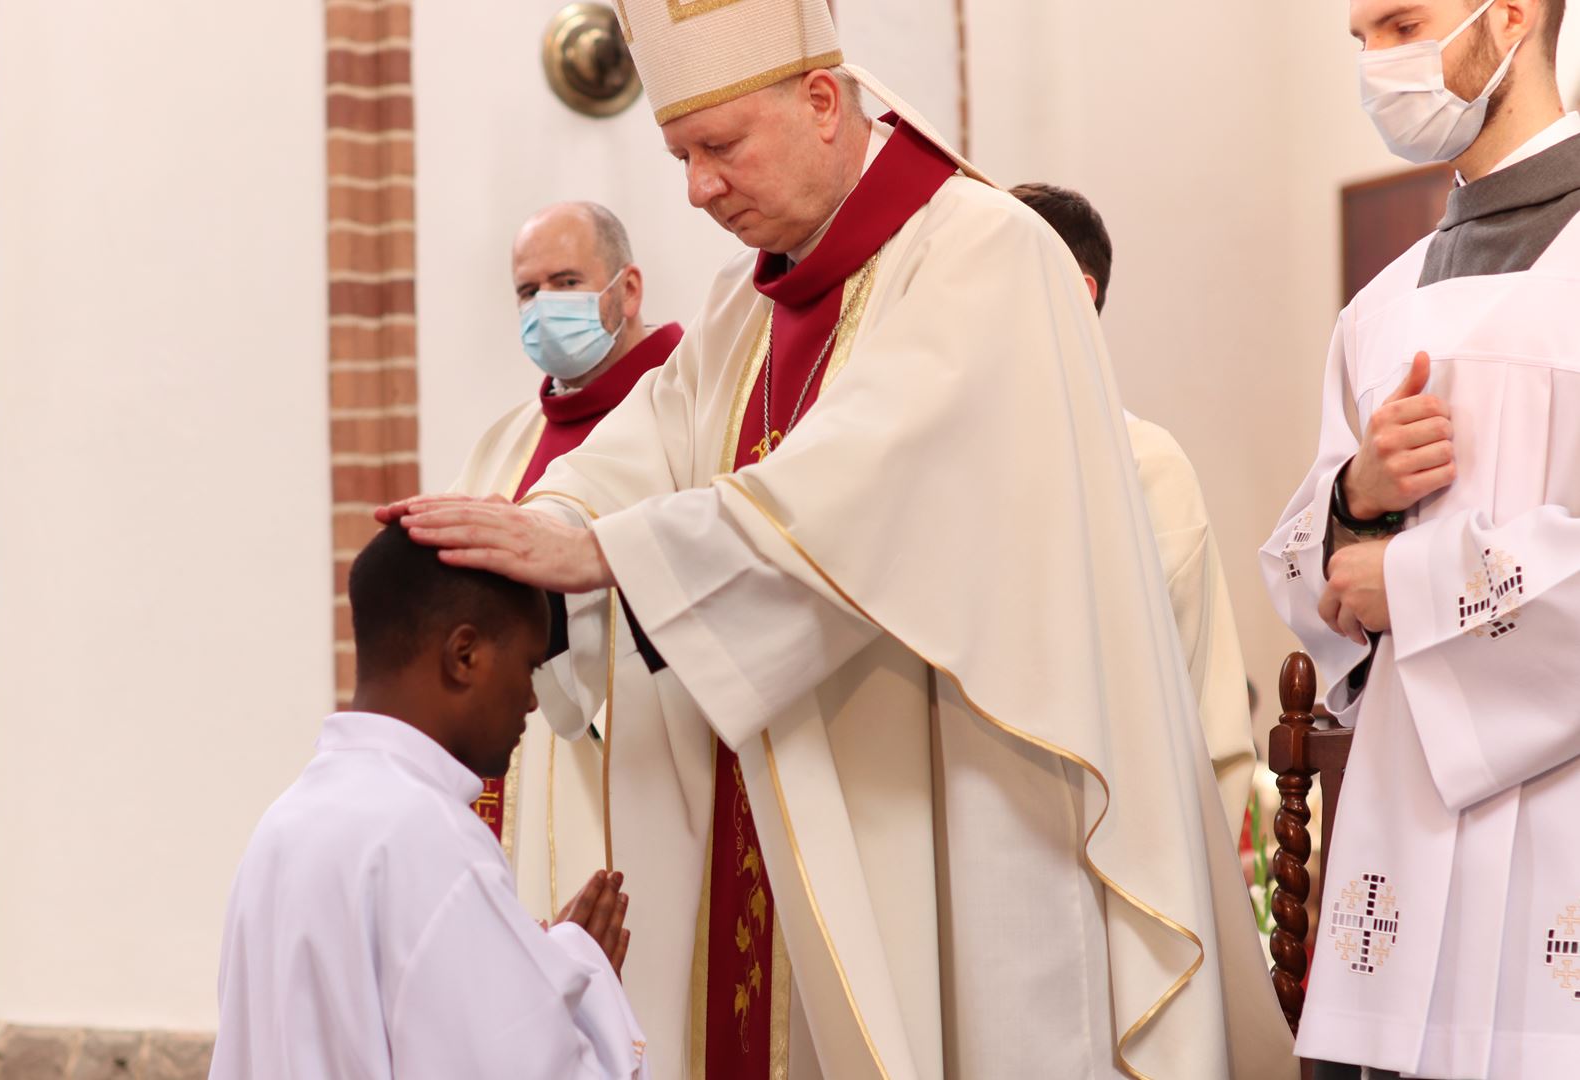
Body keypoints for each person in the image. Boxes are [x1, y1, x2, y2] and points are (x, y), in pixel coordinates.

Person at [384, 1, 1294, 1076]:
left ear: (823, 102)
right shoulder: (743, 314)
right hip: (787, 817)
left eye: (719, 148)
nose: (697, 189)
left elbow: (875, 477)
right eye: (678, 156)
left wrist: (611, 554)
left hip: (969, 806)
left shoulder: (986, 253)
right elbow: (640, 449)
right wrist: (543, 523)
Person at [1261, 1, 1578, 1077]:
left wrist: (1411, 576)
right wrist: (1356, 496)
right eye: (1360, 40)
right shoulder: (1378, 309)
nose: (1376, 65)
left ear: (1510, 16)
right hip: (1397, 824)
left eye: (1400, 23)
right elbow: (1312, 584)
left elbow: (1382, 588)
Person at [208, 523, 649, 1079]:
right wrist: (589, 980)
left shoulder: (282, 826)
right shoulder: (431, 839)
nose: (533, 700)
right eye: (528, 666)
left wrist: (532, 966)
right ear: (463, 655)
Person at [453, 201, 684, 923]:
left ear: (628, 289)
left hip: (648, 770)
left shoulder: (687, 409)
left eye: (565, 281)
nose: (544, 306)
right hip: (520, 773)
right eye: (528, 291)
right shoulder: (506, 442)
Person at [1011, 180, 1258, 840]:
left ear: (1077, 290)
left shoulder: (1145, 464)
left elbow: (1196, 688)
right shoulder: (950, 456)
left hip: (1114, 829)